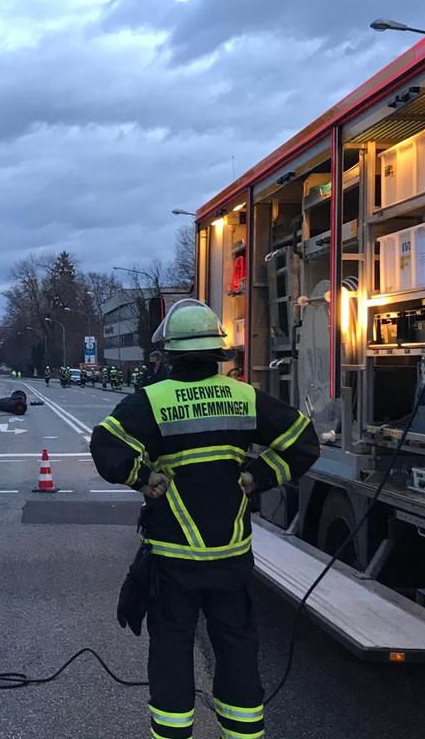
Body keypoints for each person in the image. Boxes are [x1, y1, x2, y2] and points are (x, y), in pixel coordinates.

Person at [90, 299, 320, 739]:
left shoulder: (152, 400)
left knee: (172, 650)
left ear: (170, 353)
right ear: (219, 350)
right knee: (236, 649)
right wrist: (257, 476)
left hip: (173, 561)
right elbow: (303, 442)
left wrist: (142, 477)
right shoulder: (244, 396)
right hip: (230, 559)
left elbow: (105, 445)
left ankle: (174, 733)